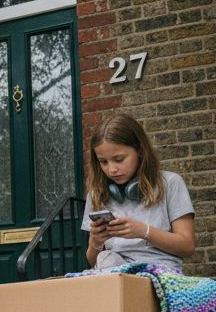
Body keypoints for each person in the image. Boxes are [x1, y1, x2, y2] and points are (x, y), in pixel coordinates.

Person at [82, 112, 196, 271]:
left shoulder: (170, 183)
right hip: (115, 272)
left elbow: (187, 246)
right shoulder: (97, 193)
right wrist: (95, 243)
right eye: (103, 162)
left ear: (140, 151)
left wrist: (143, 231)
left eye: (119, 159)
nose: (112, 169)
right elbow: (92, 260)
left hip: (161, 271)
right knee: (103, 260)